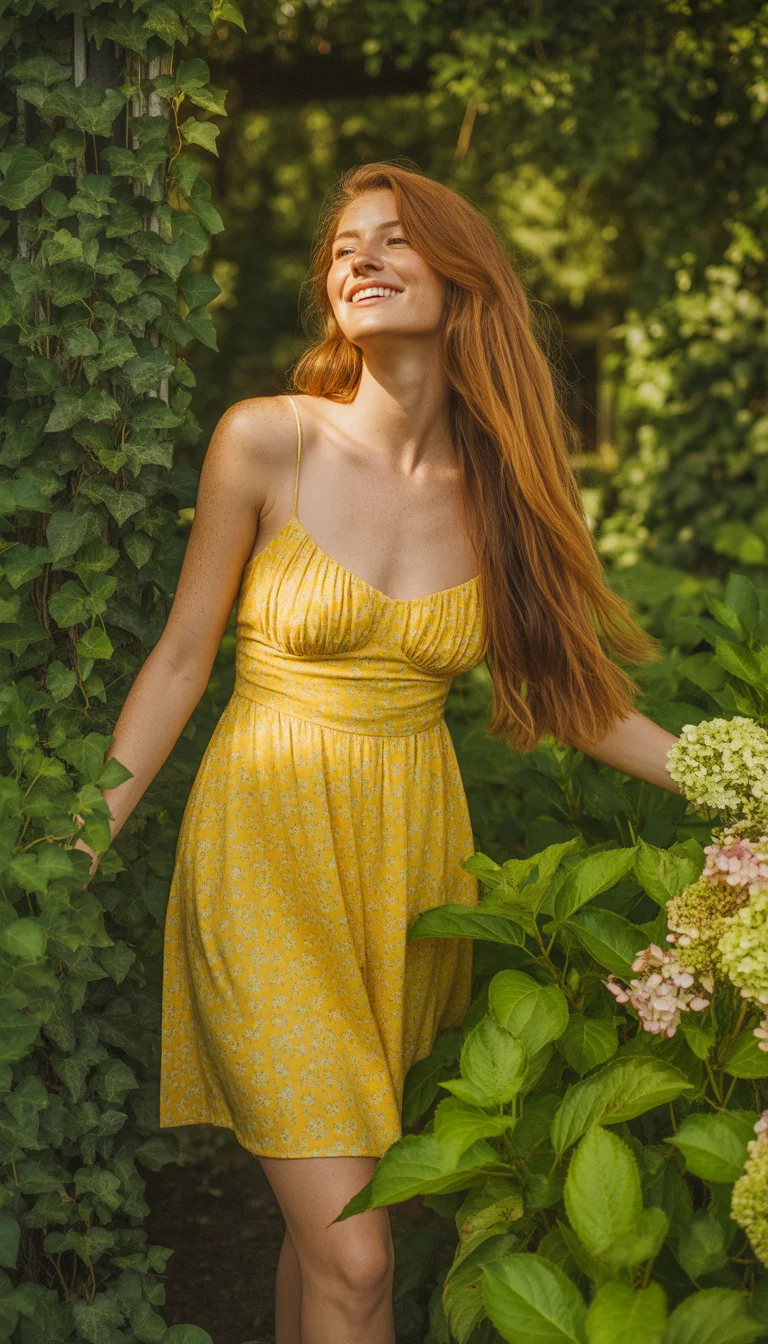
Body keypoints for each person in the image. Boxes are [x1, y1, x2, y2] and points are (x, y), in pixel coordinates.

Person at [80, 162, 682, 1344]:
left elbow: (570, 701)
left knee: (330, 1245)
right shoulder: (268, 441)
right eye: (344, 245)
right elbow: (182, 659)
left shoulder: (502, 489)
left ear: (464, 280)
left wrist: (732, 775)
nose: (359, 256)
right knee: (358, 1255)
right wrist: (78, 840)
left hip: (409, 875)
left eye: (395, 238)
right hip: (263, 856)